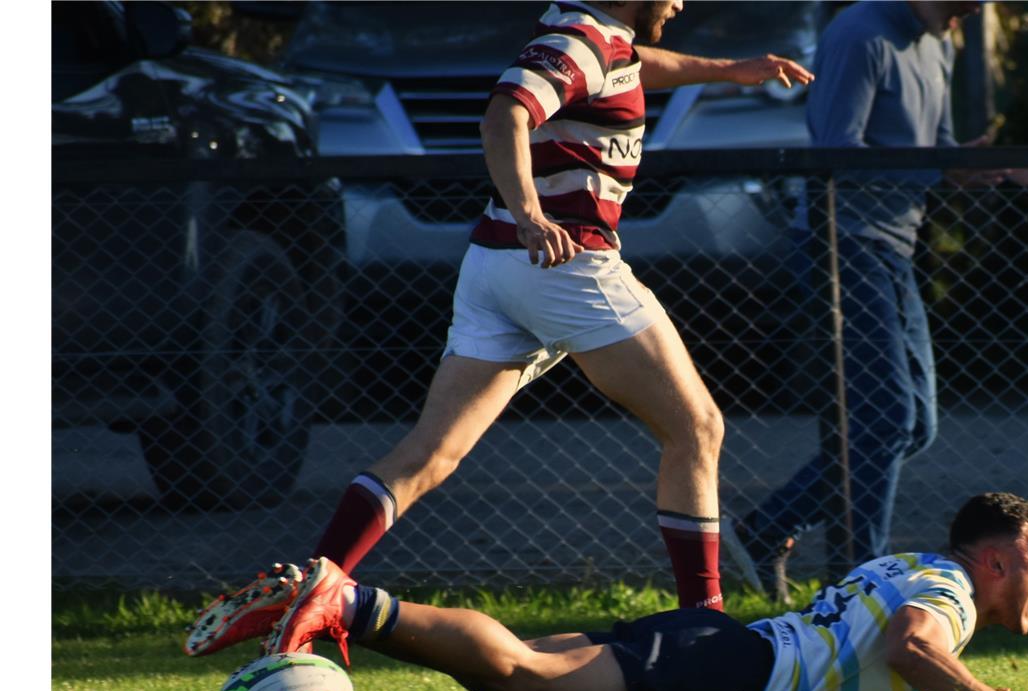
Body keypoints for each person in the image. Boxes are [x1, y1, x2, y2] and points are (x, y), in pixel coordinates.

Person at [183, 1, 815, 657]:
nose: (682, 2)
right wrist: (532, 214)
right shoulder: (580, 40)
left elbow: (635, 66)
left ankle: (315, 591)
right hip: (565, 264)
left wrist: (735, 70)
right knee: (697, 426)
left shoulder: (601, 40)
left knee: (431, 454)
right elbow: (504, 114)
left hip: (496, 269)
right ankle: (703, 625)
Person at [726, 1, 1028, 602]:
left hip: (896, 247)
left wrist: (989, 166)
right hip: (844, 242)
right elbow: (837, 151)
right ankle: (859, 585)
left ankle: (766, 530)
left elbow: (934, 155)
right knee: (886, 418)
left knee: (915, 426)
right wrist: (946, 169)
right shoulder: (861, 33)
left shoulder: (940, 39)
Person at [215, 492, 1028, 691]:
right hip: (732, 662)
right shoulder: (949, 590)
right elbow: (911, 648)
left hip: (720, 639)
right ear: (1000, 554)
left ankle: (340, 611)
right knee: (527, 676)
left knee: (517, 673)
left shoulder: (910, 560)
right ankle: (349, 599)